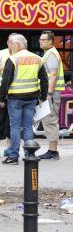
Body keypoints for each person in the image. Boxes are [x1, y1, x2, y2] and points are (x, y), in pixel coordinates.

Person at [0, 34, 48, 165]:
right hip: (31, 97)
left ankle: (14, 156)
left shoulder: (13, 59)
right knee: (27, 126)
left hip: (15, 98)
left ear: (18, 45)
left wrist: (1, 98)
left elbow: (6, 80)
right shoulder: (38, 59)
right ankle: (29, 154)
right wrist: (43, 96)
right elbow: (44, 79)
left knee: (14, 127)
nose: (11, 46)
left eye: (13, 44)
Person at [38, 31, 66, 160]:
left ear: (50, 41)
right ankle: (52, 150)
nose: (40, 41)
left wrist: (48, 93)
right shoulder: (48, 54)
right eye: (40, 39)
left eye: (43, 39)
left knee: (51, 120)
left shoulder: (51, 54)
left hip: (52, 93)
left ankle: (53, 151)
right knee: (49, 120)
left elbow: (53, 75)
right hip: (51, 92)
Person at [0, 34, 16, 156]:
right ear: (7, 42)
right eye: (10, 41)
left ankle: (9, 147)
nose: (12, 43)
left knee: (11, 121)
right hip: (2, 90)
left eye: (14, 41)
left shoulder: (20, 55)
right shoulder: (2, 54)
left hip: (15, 92)